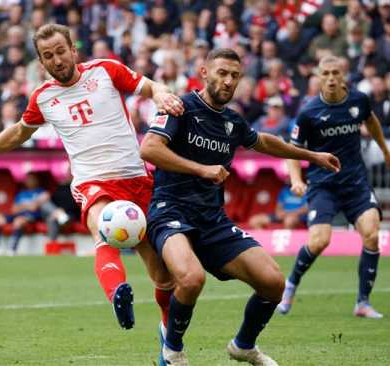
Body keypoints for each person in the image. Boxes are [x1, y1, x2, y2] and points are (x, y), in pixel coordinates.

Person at [0, 24, 182, 330]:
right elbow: (18, 133)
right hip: (92, 181)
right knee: (104, 228)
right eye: (48, 56)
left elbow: (149, 87)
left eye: (60, 52)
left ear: (73, 50)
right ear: (41, 63)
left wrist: (162, 93)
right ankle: (117, 293)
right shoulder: (43, 97)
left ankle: (170, 345)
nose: (56, 60)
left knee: (163, 275)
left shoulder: (105, 70)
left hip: (136, 178)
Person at [139, 48, 341, 366]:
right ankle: (173, 349)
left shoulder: (233, 122)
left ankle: (243, 346)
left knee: (273, 283)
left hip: (212, 220)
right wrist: (201, 169)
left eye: (235, 75)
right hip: (170, 211)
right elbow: (149, 148)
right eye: (222, 72)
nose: (228, 80)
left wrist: (312, 156)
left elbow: (264, 141)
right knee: (191, 280)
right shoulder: (179, 106)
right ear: (204, 72)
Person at [278, 55, 390, 319]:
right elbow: (292, 151)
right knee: (320, 240)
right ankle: (291, 284)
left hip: (355, 183)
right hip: (323, 186)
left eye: (336, 72)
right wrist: (296, 180)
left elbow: (371, 122)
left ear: (344, 74)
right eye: (326, 74)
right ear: (318, 77)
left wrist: (386, 152)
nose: (331, 78)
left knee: (371, 233)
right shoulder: (308, 112)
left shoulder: (358, 101)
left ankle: (362, 302)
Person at [0, 173, 70, 256]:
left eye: (31, 179)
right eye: (27, 179)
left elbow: (35, 207)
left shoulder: (42, 191)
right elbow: (14, 210)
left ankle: (12, 249)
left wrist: (25, 206)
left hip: (30, 216)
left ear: (37, 181)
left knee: (18, 221)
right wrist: (27, 205)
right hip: (17, 214)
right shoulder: (21, 193)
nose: (29, 181)